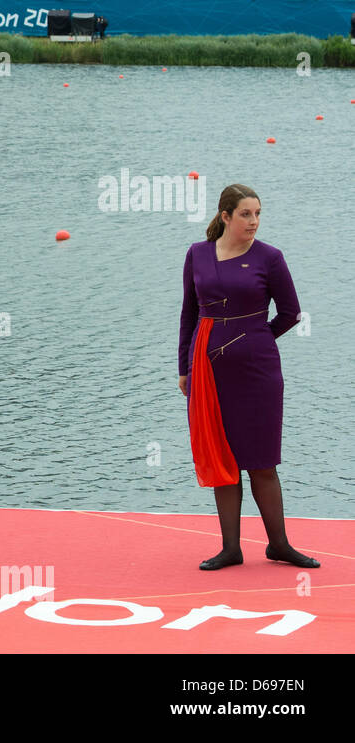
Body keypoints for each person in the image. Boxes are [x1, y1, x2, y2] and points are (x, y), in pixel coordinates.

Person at [177, 184, 319, 571]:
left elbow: (290, 312)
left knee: (261, 460)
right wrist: (184, 369)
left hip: (258, 371)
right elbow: (189, 315)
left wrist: (254, 338)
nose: (253, 221)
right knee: (222, 455)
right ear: (225, 216)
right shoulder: (198, 254)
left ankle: (279, 545)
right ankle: (230, 549)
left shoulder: (270, 258)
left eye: (257, 213)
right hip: (208, 370)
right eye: (245, 214)